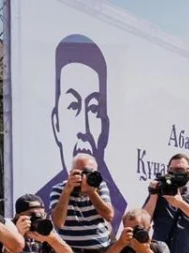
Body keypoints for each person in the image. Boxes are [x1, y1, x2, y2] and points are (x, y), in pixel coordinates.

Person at [34, 34, 128, 224]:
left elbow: (109, 216)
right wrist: (67, 191)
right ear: (56, 123)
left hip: (98, 251)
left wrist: (91, 192)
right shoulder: (55, 190)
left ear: (105, 126)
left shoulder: (103, 189)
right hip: (70, 252)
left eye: (93, 108)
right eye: (73, 106)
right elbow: (58, 223)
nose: (83, 129)